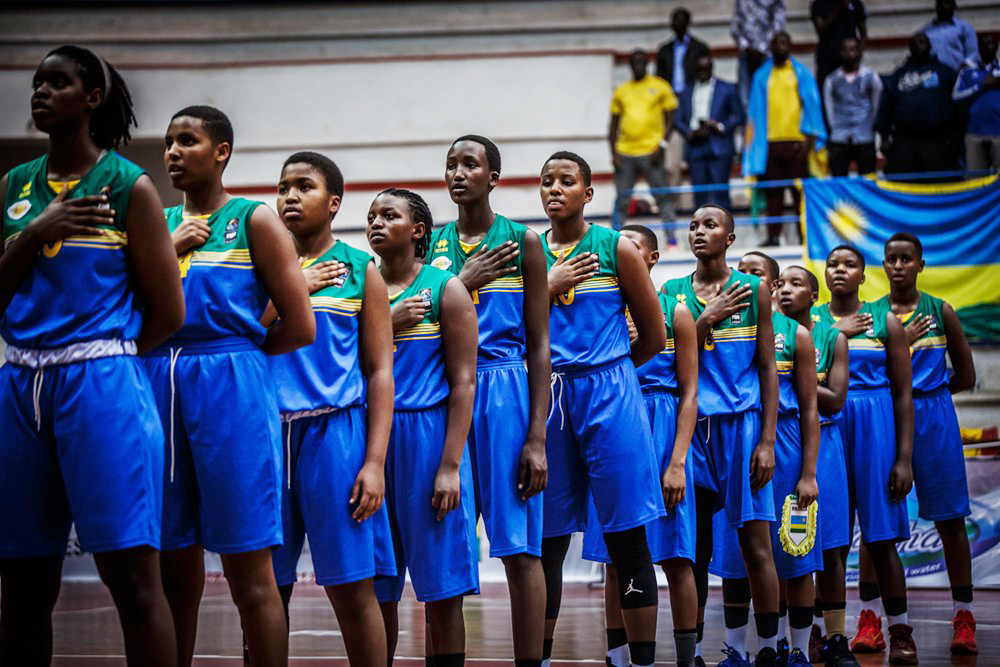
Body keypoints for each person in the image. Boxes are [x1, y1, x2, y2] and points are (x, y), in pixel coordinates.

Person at [0, 45, 184, 666]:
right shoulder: (14, 186)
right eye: (37, 83)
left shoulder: (128, 185)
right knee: (22, 585)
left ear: (93, 98)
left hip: (101, 380)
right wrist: (34, 233)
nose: (40, 92)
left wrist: (108, 361)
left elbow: (168, 313)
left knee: (132, 580)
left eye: (57, 82)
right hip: (19, 384)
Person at [148, 105, 315, 667]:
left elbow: (300, 323)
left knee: (249, 567)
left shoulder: (254, 219)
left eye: (187, 141)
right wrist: (165, 251)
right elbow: (125, 308)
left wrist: (237, 361)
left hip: (232, 385)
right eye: (169, 142)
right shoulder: (158, 223)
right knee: (171, 562)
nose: (173, 152)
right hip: (158, 382)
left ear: (221, 151)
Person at [264, 152, 396, 667]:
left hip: (336, 437)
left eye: (304, 187)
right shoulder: (257, 264)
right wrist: (296, 288)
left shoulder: (362, 269)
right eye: (283, 187)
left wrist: (375, 462)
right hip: (267, 437)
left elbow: (380, 371)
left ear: (334, 202)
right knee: (264, 590)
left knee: (351, 588)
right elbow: (241, 338)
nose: (290, 196)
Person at [538, 152, 666, 667]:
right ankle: (540, 658)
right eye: (547, 181)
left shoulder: (616, 248)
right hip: (550, 400)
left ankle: (639, 661)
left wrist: (607, 371)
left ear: (588, 194)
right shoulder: (530, 251)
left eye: (567, 181)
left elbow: (654, 337)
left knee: (627, 537)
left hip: (611, 393)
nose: (554, 189)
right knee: (546, 542)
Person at [430, 135, 550, 666]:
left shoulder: (523, 241)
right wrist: (462, 280)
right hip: (445, 392)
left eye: (469, 164)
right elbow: (411, 312)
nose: (458, 172)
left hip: (505, 389)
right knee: (444, 544)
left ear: (493, 177)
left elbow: (542, 345)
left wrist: (538, 436)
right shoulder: (427, 242)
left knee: (520, 547)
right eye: (451, 164)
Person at [662, 205, 782, 667]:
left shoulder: (753, 289)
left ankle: (769, 650)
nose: (698, 232)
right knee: (692, 549)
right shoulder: (671, 292)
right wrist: (706, 318)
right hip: (689, 431)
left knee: (755, 544)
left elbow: (769, 369)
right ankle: (690, 655)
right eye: (692, 225)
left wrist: (767, 440)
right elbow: (666, 357)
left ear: (730, 238)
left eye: (709, 225)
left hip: (742, 427)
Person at [368, 188, 480, 667]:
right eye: (371, 215)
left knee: (442, 588)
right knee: (376, 586)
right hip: (372, 438)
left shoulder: (445, 288)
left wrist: (451, 465)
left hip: (429, 441)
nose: (375, 222)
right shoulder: (358, 286)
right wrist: (385, 323)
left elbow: (463, 382)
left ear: (417, 231)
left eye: (388, 215)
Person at [580, 224, 700, 667]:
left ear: (650, 258)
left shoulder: (677, 312)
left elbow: (690, 392)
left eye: (631, 244)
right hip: (613, 425)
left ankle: (691, 656)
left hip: (663, 429)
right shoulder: (604, 306)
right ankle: (618, 658)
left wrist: (678, 462)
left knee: (675, 554)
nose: (619, 249)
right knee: (617, 555)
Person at [707, 252, 821, 667]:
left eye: (755, 273)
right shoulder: (719, 324)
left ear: (769, 286)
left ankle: (797, 649)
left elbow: (811, 408)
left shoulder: (796, 335)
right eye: (742, 269)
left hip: (783, 443)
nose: (743, 277)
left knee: (794, 551)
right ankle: (737, 650)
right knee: (737, 555)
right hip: (732, 441)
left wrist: (808, 472)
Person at [812, 246, 916, 666]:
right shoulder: (813, 319)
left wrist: (904, 457)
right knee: (826, 543)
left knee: (882, 540)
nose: (839, 270)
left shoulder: (883, 318)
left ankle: (901, 634)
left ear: (862, 275)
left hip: (876, 427)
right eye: (833, 264)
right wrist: (840, 332)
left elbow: (904, 392)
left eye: (848, 265)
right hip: (826, 428)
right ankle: (819, 633)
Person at [877, 233, 977, 655]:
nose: (898, 266)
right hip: (885, 414)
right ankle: (872, 621)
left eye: (906, 259)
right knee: (879, 527)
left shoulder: (941, 310)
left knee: (951, 521)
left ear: (920, 264)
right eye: (891, 259)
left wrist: (930, 396)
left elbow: (967, 377)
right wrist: (897, 341)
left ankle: (964, 617)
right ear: (882, 266)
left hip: (933, 416)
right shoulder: (872, 315)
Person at [775, 266, 857, 667]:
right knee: (786, 545)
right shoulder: (764, 335)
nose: (786, 291)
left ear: (814, 295)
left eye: (796, 284)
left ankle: (837, 638)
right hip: (780, 442)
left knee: (831, 547)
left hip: (823, 444)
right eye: (781, 284)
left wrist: (796, 379)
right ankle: (794, 640)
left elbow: (835, 399)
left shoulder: (832, 337)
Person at [743, 31, 826, 247]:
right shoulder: (761, 76)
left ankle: (805, 236)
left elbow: (812, 107)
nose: (781, 46)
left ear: (790, 46)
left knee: (800, 193)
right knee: (773, 192)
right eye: (777, 42)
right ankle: (773, 236)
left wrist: (808, 141)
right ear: (770, 46)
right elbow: (753, 112)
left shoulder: (801, 73)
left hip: (796, 142)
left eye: (785, 42)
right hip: (769, 143)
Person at [610, 50, 679, 246]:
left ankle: (671, 239)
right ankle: (613, 240)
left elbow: (671, 119)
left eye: (642, 62)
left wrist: (662, 145)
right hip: (625, 152)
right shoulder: (622, 91)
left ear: (647, 64)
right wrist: (613, 152)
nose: (638, 66)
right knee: (622, 199)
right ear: (630, 65)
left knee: (663, 196)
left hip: (652, 152)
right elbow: (613, 124)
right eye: (634, 62)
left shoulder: (660, 86)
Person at [877, 33, 959, 177]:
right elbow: (885, 107)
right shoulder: (898, 75)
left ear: (930, 46)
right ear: (910, 47)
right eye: (915, 42)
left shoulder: (945, 72)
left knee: (938, 185)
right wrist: (884, 137)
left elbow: (959, 106)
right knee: (906, 186)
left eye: (923, 41)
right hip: (905, 142)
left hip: (937, 141)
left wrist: (956, 137)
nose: (919, 44)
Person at [677, 55, 745, 210]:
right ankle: (701, 231)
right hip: (695, 145)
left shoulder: (727, 88)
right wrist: (690, 132)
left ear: (712, 68)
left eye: (706, 69)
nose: (703, 72)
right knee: (699, 193)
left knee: (720, 192)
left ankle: (724, 230)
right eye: (700, 69)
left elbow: (739, 116)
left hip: (719, 143)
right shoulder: (687, 92)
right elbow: (679, 119)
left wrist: (719, 126)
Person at [823, 37, 882, 176]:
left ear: (859, 52)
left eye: (853, 49)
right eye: (845, 50)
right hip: (839, 136)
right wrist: (835, 127)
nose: (849, 53)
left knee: (867, 179)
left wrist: (867, 124)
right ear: (840, 53)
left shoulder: (870, 76)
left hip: (864, 135)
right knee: (839, 179)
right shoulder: (832, 79)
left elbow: (876, 104)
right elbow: (829, 107)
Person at [953, 33, 1000, 171]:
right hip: (974, 132)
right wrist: (980, 85)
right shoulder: (967, 71)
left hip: (999, 131)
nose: (987, 47)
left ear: (996, 46)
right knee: (975, 179)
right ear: (978, 47)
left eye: (990, 43)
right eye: (983, 44)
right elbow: (955, 97)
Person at [731, 0, 786, 107]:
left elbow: (778, 26)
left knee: (769, 96)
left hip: (768, 56)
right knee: (745, 98)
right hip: (746, 55)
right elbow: (735, 27)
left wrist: (761, 49)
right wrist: (747, 47)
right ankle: (749, 122)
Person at [810, 0, 867, 96]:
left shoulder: (855, 3)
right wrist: (839, 7)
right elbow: (820, 28)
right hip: (827, 57)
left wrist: (859, 51)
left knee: (851, 94)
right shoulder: (819, 3)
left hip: (849, 58)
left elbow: (863, 32)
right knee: (825, 93)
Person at [656, 8, 711, 99]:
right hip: (670, 96)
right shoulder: (664, 50)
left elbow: (706, 73)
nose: (678, 24)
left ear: (688, 22)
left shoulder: (699, 48)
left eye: (681, 20)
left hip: (694, 94)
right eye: (675, 20)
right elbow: (659, 75)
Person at [922, 0, 978, 72]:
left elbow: (972, 54)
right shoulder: (926, 30)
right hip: (933, 77)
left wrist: (963, 70)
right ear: (936, 7)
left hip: (957, 74)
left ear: (954, 6)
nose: (942, 6)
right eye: (939, 3)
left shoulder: (965, 28)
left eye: (946, 3)